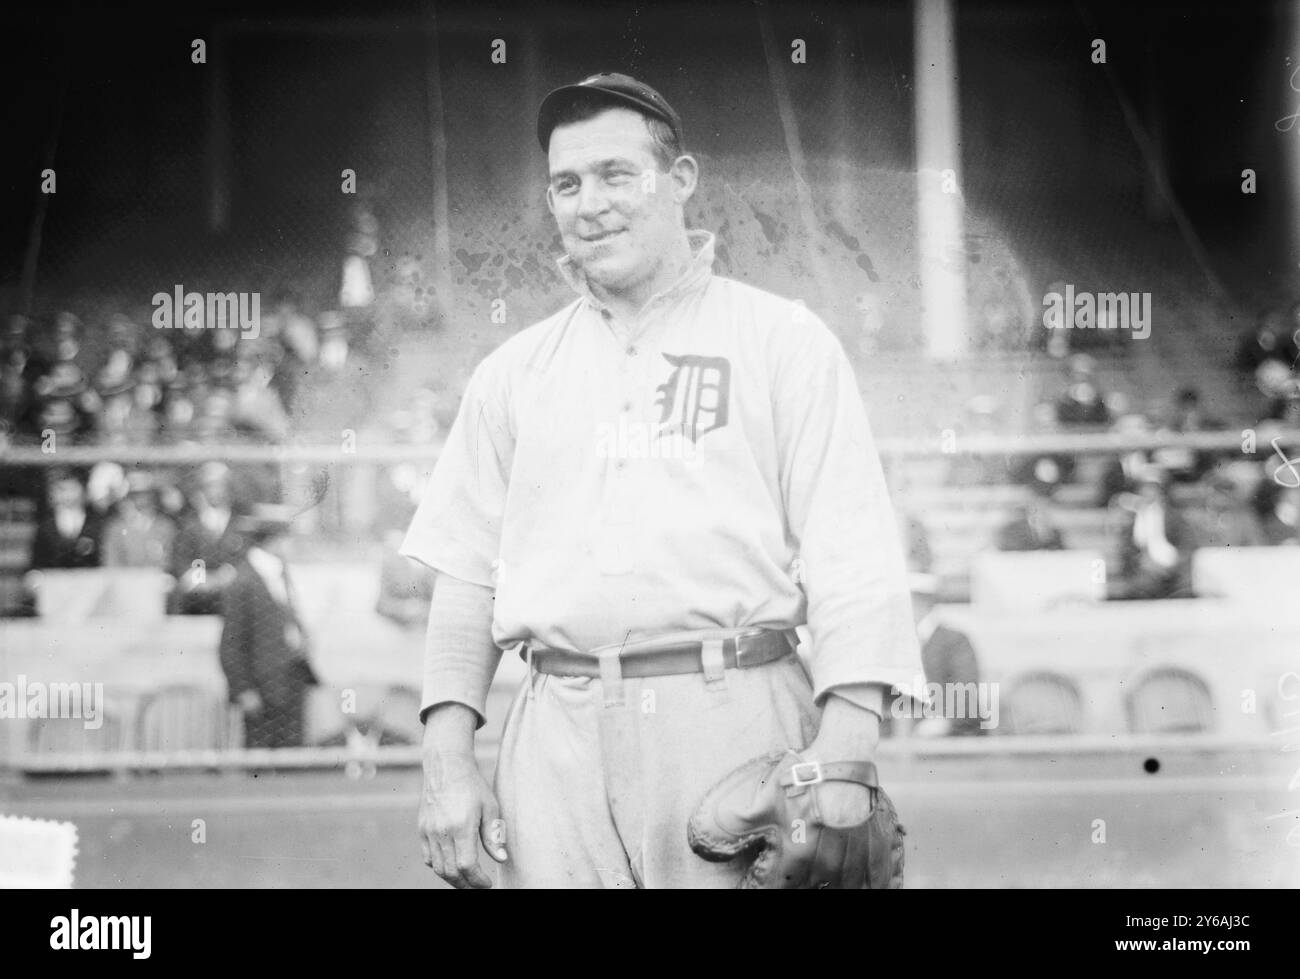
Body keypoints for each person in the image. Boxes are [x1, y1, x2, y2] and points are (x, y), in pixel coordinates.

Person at [402, 73, 922, 889]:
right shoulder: (512, 373)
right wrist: (447, 763)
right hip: (555, 727)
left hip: (734, 714)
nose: (588, 202)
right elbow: (467, 575)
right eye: (566, 184)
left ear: (680, 181)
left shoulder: (781, 340)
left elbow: (853, 551)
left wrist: (847, 755)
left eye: (616, 174)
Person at [217, 503, 319, 748]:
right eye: (287, 537)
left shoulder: (280, 572)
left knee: (292, 758)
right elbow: (230, 644)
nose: (291, 544)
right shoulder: (243, 581)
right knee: (261, 759)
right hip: (262, 688)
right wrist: (244, 690)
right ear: (273, 540)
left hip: (291, 680)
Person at [30, 469, 104, 570]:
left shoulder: (96, 523)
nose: (67, 495)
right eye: (61, 489)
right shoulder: (46, 525)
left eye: (72, 489)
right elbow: (37, 559)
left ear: (82, 491)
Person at [996, 480, 1066, 552]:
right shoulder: (1013, 531)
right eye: (1037, 504)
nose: (1043, 509)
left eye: (1047, 504)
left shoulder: (1055, 533)